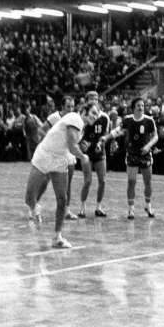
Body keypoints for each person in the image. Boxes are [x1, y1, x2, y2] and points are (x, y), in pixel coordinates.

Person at [25, 103, 99, 248]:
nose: (95, 117)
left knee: (62, 199)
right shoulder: (75, 118)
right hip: (44, 155)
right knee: (28, 198)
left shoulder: (82, 128)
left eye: (97, 114)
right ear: (84, 111)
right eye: (93, 113)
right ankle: (35, 208)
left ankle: (57, 237)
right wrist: (83, 156)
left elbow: (69, 146)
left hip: (60, 159)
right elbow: (72, 145)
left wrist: (79, 148)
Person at [100, 97, 158, 219]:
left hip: (145, 155)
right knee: (131, 182)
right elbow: (117, 131)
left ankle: (148, 206)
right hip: (132, 154)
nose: (141, 108)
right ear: (133, 108)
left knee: (148, 182)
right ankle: (131, 209)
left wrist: (148, 146)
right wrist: (106, 138)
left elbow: (155, 137)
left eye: (142, 105)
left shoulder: (149, 120)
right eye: (138, 105)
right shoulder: (128, 120)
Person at [37, 95, 79, 220]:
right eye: (68, 106)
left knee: (68, 184)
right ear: (62, 106)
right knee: (46, 181)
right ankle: (34, 206)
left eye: (72, 106)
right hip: (54, 154)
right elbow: (40, 130)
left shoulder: (75, 119)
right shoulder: (54, 117)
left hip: (68, 154)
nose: (71, 109)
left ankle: (66, 210)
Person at [78, 91, 110, 218]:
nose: (94, 100)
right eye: (91, 98)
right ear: (86, 101)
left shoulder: (104, 117)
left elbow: (106, 134)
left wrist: (102, 141)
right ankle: (82, 207)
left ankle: (98, 207)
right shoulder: (82, 116)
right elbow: (77, 133)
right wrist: (81, 143)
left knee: (103, 181)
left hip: (99, 151)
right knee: (88, 181)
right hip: (86, 153)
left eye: (96, 98)